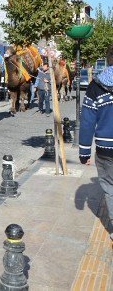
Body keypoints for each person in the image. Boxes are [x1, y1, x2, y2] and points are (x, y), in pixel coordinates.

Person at [79, 45, 113, 242]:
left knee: (109, 185)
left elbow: (88, 120)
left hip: (106, 148)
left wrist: (84, 151)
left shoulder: (96, 85)